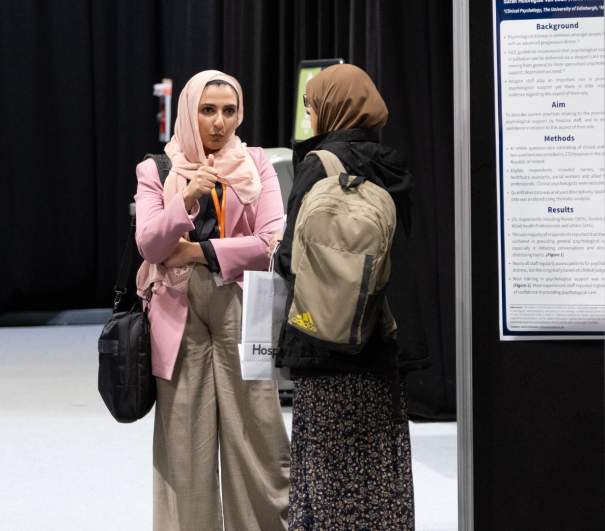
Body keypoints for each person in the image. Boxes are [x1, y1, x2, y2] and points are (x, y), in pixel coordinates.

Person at [270, 64, 430, 531]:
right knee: (380, 469)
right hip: (380, 340)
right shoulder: (393, 166)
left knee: (325, 471)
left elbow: (289, 258)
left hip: (325, 344)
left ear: (330, 109)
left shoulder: (319, 165)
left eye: (313, 105)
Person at [135, 70, 290, 531]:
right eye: (208, 110)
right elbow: (149, 246)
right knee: (185, 444)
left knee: (257, 433)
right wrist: (184, 198)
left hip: (241, 307)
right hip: (176, 312)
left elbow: (271, 242)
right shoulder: (155, 169)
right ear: (189, 112)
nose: (219, 122)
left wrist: (198, 251)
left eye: (228, 111)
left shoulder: (256, 162)